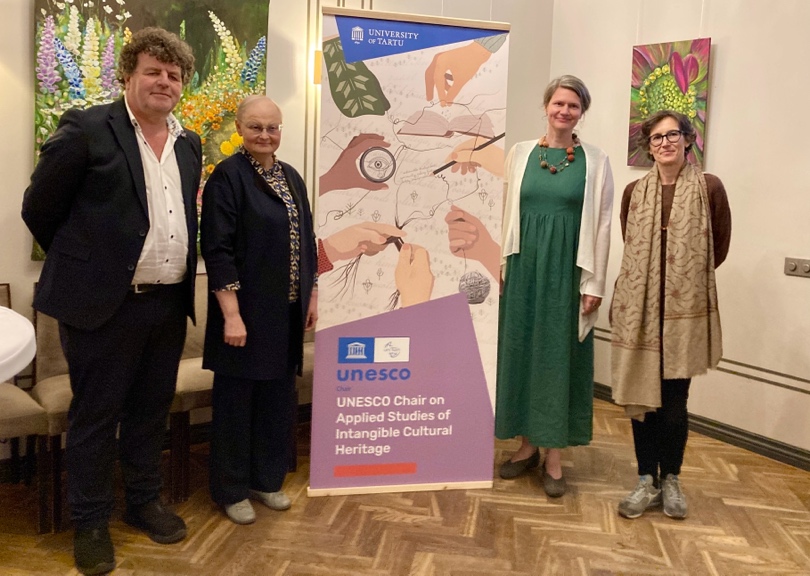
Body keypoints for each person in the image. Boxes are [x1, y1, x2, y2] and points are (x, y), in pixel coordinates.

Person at [21, 27, 200, 575]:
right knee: (96, 418)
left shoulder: (188, 143)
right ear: (128, 75)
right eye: (153, 71)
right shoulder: (86, 127)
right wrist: (91, 266)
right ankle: (92, 522)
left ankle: (143, 501)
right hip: (104, 307)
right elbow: (38, 208)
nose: (164, 82)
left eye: (173, 75)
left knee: (150, 412)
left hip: (167, 305)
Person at [200, 95, 317, 525]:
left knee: (276, 401)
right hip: (244, 316)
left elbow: (307, 238)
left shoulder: (291, 177)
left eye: (273, 127)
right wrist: (231, 315)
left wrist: (312, 296)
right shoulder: (227, 178)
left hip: (284, 313)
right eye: (255, 127)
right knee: (237, 404)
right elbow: (218, 251)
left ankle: (267, 480)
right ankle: (231, 489)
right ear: (239, 128)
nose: (265, 135)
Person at [495, 75, 614, 497]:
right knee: (522, 350)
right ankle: (526, 445)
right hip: (524, 265)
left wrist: (595, 282)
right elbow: (506, 208)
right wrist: (501, 264)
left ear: (582, 112)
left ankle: (555, 455)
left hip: (567, 272)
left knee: (559, 356)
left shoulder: (595, 160)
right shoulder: (520, 154)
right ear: (546, 105)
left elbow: (601, 225)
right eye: (558, 103)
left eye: (573, 106)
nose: (564, 112)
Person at [612, 110, 731, 520]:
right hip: (639, 313)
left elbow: (718, 247)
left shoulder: (709, 187)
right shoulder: (633, 192)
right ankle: (646, 478)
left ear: (687, 139)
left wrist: (678, 287)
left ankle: (672, 479)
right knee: (641, 397)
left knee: (676, 400)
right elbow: (631, 242)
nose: (665, 143)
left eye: (673, 135)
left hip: (684, 313)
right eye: (657, 137)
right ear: (648, 146)